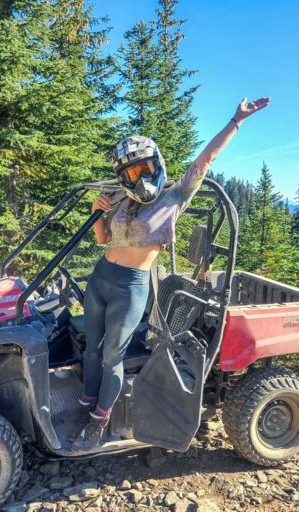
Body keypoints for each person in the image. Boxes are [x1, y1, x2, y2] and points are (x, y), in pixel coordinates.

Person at [71, 97, 271, 452]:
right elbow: (102, 239)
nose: (141, 177)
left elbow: (205, 159)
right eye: (132, 173)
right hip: (101, 277)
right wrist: (97, 211)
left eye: (145, 168)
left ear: (157, 165)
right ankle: (85, 404)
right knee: (91, 349)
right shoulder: (119, 197)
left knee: (111, 356)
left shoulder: (175, 195)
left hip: (129, 287)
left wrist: (236, 120)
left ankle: (98, 422)